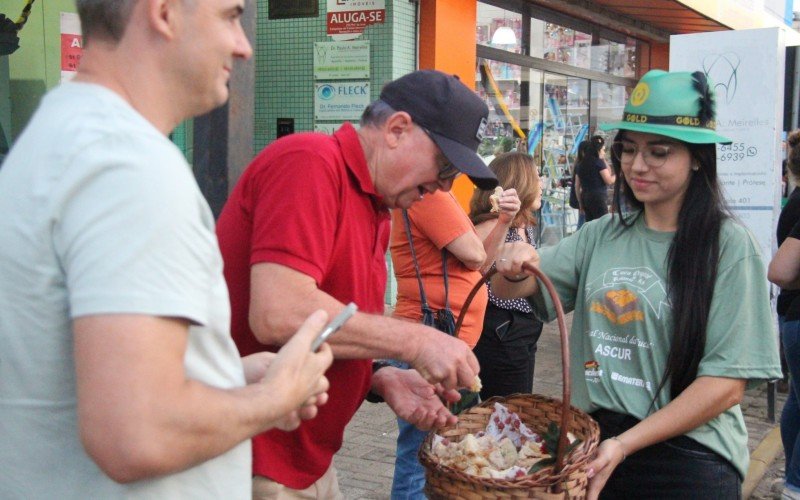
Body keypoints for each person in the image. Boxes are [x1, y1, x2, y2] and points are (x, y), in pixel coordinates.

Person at [0, 1, 335, 498]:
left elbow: (76, 370)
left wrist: (226, 374)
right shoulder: (128, 165)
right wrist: (274, 397)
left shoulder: (58, 137)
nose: (243, 46)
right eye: (229, 16)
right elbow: (136, 435)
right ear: (163, 13)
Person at [491, 69, 782, 499]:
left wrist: (626, 445)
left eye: (658, 152)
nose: (636, 165)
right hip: (597, 446)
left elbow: (726, 385)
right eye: (628, 150)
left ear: (698, 157)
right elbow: (513, 289)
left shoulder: (727, 246)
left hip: (688, 458)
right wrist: (512, 263)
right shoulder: (600, 235)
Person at [215, 69, 497, 498]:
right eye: (445, 166)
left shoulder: (376, 207)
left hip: (304, 462)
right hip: (255, 458)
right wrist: (416, 341)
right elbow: (277, 313)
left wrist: (379, 377)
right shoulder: (310, 161)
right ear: (397, 129)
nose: (443, 185)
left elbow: (323, 327)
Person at [388, 186, 520, 498]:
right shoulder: (428, 195)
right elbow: (475, 255)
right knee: (423, 451)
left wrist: (502, 220)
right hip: (429, 337)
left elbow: (480, 262)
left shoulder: (436, 195)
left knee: (434, 446)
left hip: (438, 339)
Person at [469, 152, 544, 400]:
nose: (542, 184)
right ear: (520, 184)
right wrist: (502, 221)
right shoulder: (494, 224)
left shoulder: (524, 225)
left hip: (524, 328)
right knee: (508, 408)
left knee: (520, 404)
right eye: (536, 178)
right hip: (502, 329)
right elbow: (477, 267)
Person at [768, 223, 800, 500]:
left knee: (797, 401)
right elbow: (779, 272)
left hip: (794, 318)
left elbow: (780, 271)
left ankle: (793, 480)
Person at [773, 130, 800, 391]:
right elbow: (780, 271)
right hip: (793, 310)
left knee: (795, 399)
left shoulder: (794, 201)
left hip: (790, 310)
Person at [575, 135, 615, 222]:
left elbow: (577, 186)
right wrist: (618, 176)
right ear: (598, 150)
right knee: (603, 224)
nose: (604, 152)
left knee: (591, 224)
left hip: (586, 197)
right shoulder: (598, 163)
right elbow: (609, 180)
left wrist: (580, 203)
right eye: (603, 150)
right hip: (598, 198)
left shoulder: (581, 164)